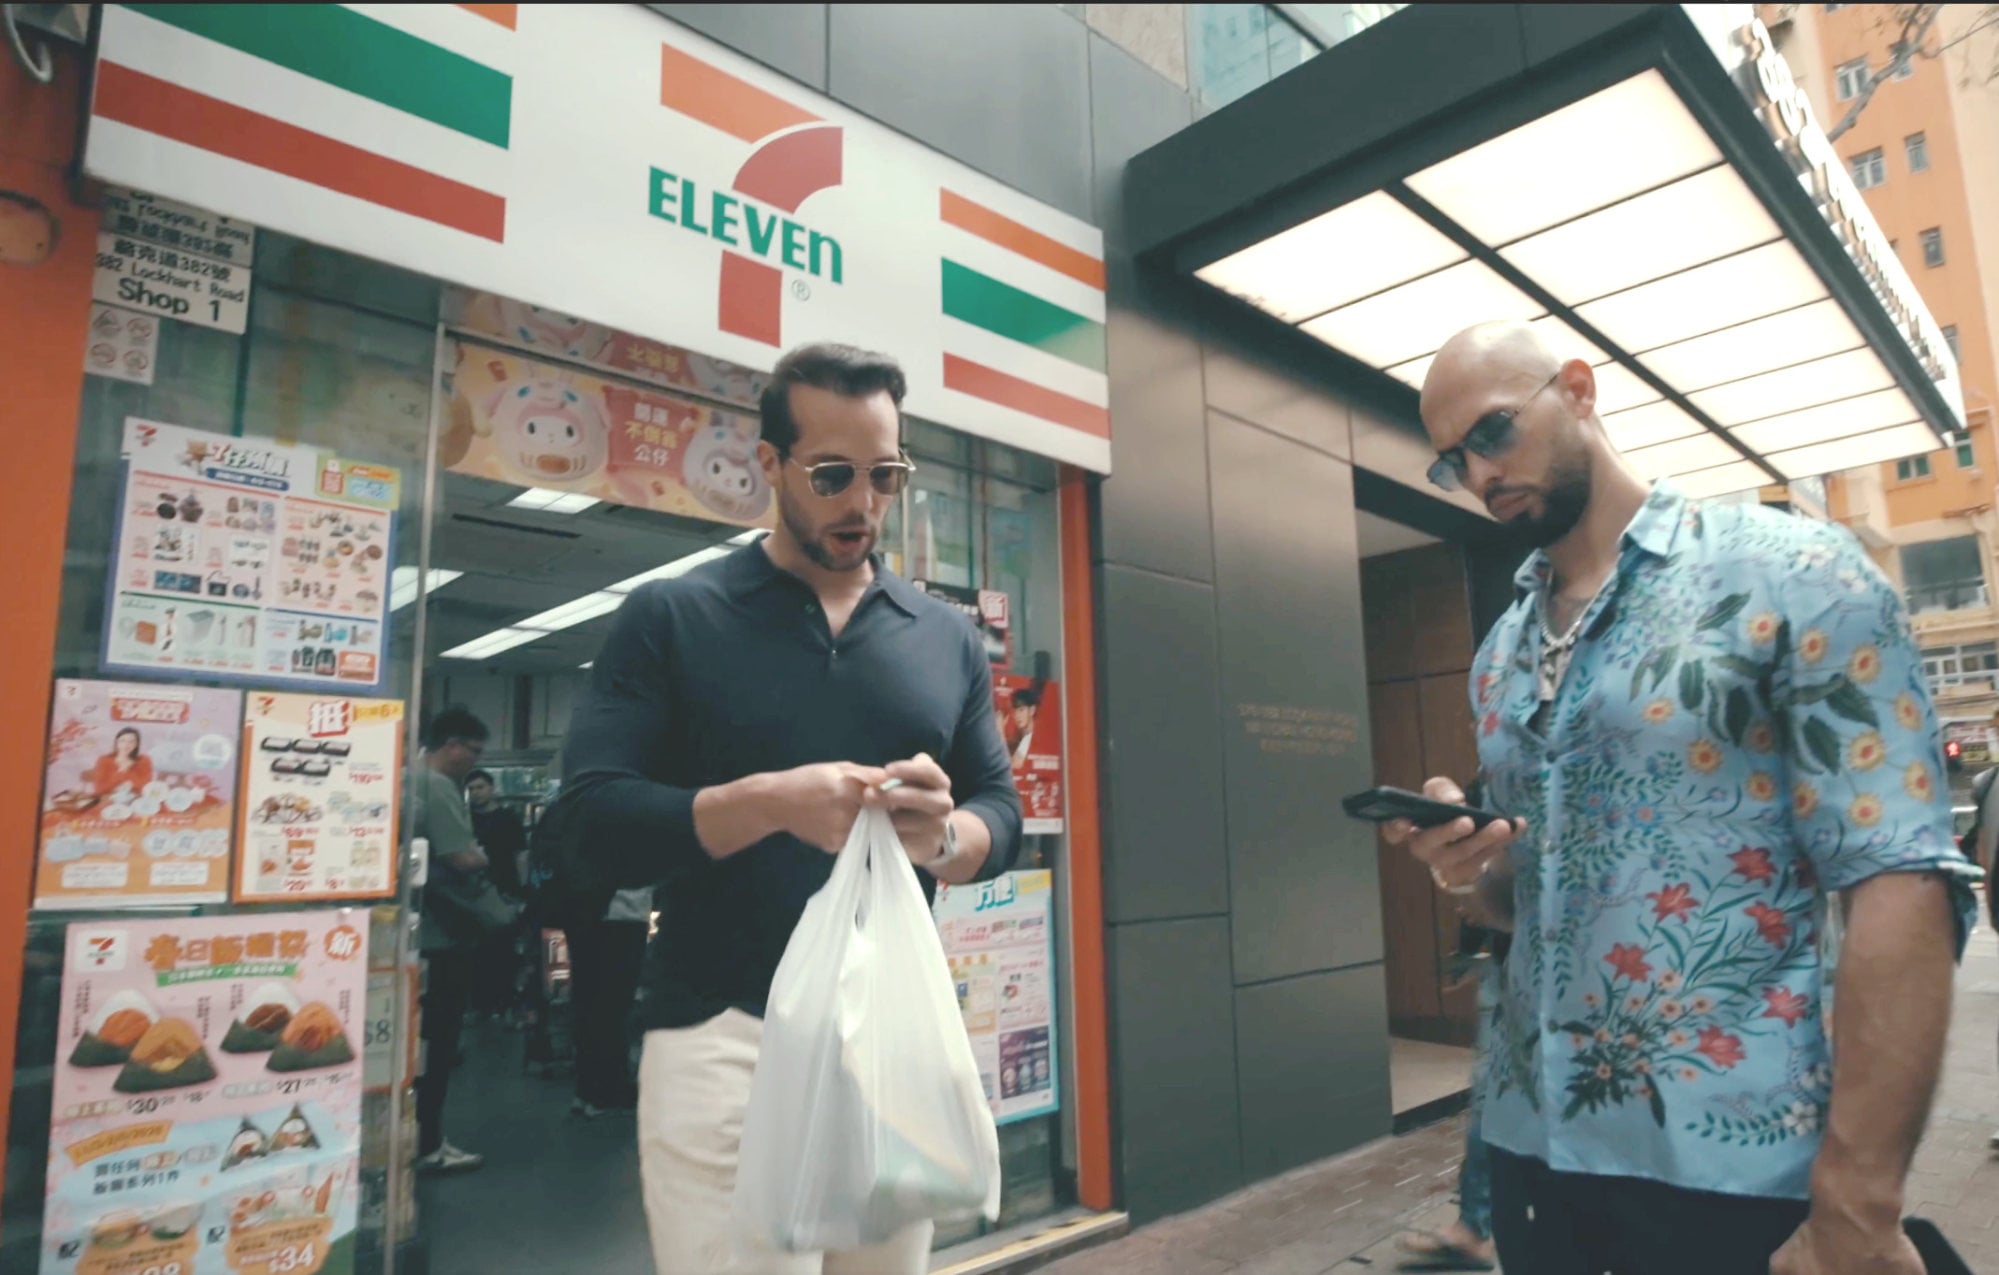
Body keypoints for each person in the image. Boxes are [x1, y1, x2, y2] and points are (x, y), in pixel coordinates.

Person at [1387, 321, 1978, 1275]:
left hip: (1736, 1169)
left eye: (1492, 433)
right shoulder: (1499, 652)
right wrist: (1472, 867)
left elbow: (1901, 878)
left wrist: (1857, 1206)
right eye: (1451, 463)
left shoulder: (1792, 572)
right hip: (1533, 1155)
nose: (1479, 473)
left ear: (1578, 389)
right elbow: (1526, 899)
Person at [562, 342, 1022, 1275]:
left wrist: (946, 836)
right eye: (831, 474)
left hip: (890, 1039)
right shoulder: (673, 615)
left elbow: (998, 811)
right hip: (720, 1032)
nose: (861, 505)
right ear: (767, 464)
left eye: (885, 475)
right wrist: (768, 802)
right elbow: (590, 821)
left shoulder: (944, 638)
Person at [410, 705, 494, 1175]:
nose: (473, 762)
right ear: (453, 745)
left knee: (416, 1044)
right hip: (443, 935)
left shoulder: (406, 779)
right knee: (439, 1042)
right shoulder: (438, 787)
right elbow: (463, 857)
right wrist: (479, 855)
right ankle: (429, 1142)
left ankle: (414, 1137)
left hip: (416, 933)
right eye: (473, 751)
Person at [1397, 918, 1504, 1272]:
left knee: (1492, 1102)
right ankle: (1474, 1225)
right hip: (1512, 968)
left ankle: (1475, 1227)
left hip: (1531, 975)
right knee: (1492, 1103)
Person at [565, 884, 651, 1118]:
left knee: (586, 1000)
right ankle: (607, 1089)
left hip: (581, 912)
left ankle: (586, 1090)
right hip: (624, 917)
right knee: (614, 1005)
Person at [464, 769, 527, 1022]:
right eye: (471, 789)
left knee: (503, 949)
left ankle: (504, 1003)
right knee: (476, 952)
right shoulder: (464, 819)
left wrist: (522, 890)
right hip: (474, 892)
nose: (476, 793)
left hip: (505, 890)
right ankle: (481, 1005)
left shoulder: (508, 818)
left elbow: (520, 854)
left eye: (480, 787)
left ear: (491, 789)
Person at [84, 727, 152, 798]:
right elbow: (99, 789)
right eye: (122, 741)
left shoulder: (144, 760)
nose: (126, 745)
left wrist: (128, 772)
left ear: (137, 744)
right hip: (107, 799)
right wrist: (121, 771)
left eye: (131, 741)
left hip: (135, 800)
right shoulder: (103, 760)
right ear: (116, 742)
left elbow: (146, 788)